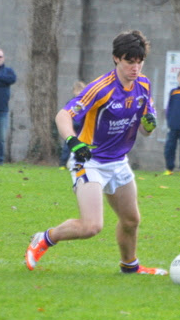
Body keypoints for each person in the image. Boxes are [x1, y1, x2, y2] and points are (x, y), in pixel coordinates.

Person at [25, 30, 167, 276]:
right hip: (89, 161)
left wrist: (150, 124)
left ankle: (130, 266)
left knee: (131, 220)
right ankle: (46, 238)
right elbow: (63, 115)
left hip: (118, 162)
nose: (135, 67)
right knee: (92, 226)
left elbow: (145, 131)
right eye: (129, 61)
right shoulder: (101, 88)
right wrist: (72, 141)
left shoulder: (144, 85)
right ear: (116, 59)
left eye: (139, 61)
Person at [59, 80, 86, 167]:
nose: (79, 93)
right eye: (77, 91)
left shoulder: (87, 103)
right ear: (74, 91)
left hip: (82, 127)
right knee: (68, 145)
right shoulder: (72, 103)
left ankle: (80, 162)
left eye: (81, 91)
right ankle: (63, 163)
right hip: (72, 126)